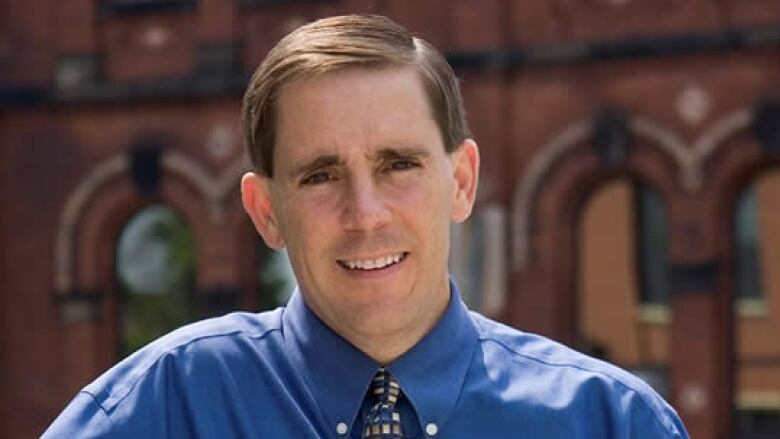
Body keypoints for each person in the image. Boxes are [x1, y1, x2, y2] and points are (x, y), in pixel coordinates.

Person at [43, 14, 689, 438]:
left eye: (398, 164)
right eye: (320, 175)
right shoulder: (159, 409)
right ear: (265, 210)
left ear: (461, 181)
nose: (366, 214)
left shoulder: (609, 420)